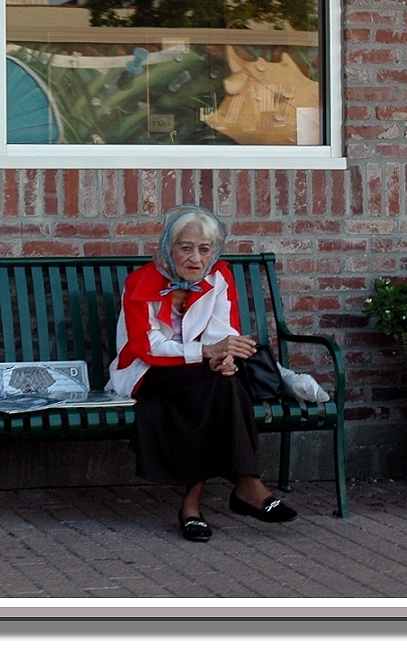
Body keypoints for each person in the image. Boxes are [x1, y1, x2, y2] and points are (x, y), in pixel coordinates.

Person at [106, 204, 298, 542]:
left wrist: (223, 357)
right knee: (218, 387)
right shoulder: (140, 283)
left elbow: (222, 331)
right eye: (186, 247)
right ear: (169, 247)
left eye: (204, 249)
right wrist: (206, 353)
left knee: (220, 383)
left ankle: (193, 505)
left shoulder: (219, 277)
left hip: (199, 374)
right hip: (146, 371)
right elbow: (144, 345)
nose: (196, 258)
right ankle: (245, 485)